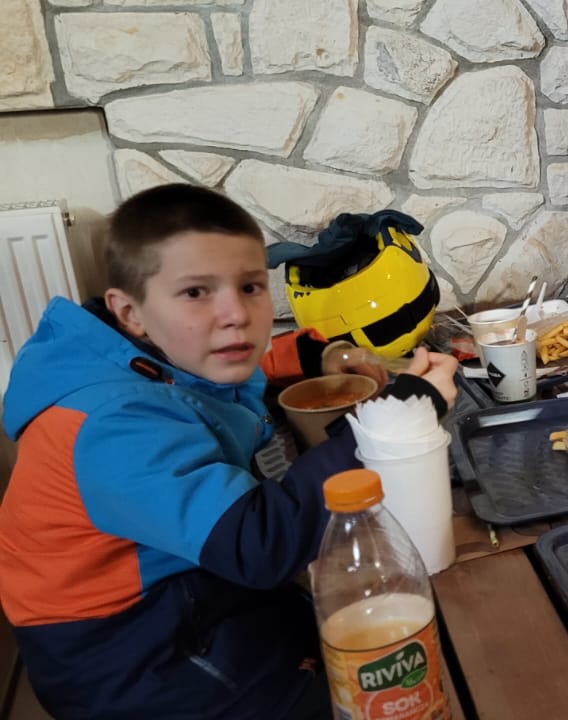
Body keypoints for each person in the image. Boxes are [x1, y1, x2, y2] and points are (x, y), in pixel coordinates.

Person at [0, 184, 459, 719]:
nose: (235, 315)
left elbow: (212, 372)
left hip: (188, 592)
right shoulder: (110, 425)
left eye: (250, 286)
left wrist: (315, 355)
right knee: (370, 695)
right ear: (131, 312)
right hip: (126, 655)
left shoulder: (144, 356)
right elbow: (258, 544)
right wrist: (400, 414)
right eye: (196, 292)